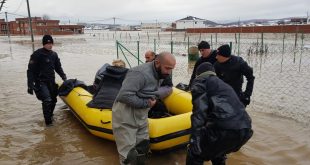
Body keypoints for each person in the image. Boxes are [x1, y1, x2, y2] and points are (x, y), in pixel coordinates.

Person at [112, 52, 176, 165]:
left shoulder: (161, 73)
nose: (169, 72)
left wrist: (154, 98)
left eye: (171, 69)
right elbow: (124, 95)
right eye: (167, 68)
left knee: (143, 150)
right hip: (125, 116)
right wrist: (145, 103)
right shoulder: (139, 73)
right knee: (128, 156)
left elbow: (151, 90)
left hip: (142, 115)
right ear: (157, 63)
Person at [186, 62, 253, 165]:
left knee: (194, 153)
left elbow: (199, 113)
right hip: (245, 130)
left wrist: (194, 139)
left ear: (198, 74)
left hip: (225, 130)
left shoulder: (201, 81)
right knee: (217, 151)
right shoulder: (223, 85)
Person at [27, 35, 67, 126]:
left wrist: (64, 77)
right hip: (41, 82)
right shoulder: (37, 54)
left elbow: (58, 68)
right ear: (44, 44)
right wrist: (29, 85)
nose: (50, 45)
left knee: (53, 100)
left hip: (51, 81)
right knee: (47, 100)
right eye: (48, 43)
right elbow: (30, 70)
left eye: (51, 43)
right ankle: (48, 124)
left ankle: (50, 116)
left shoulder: (54, 54)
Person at [144, 50, 173, 118]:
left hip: (166, 87)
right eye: (145, 58)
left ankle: (160, 111)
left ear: (153, 56)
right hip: (159, 86)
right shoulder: (149, 65)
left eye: (148, 58)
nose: (146, 60)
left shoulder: (159, 65)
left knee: (150, 95)